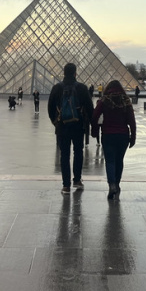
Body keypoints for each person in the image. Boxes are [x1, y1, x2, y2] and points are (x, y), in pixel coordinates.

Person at [48, 63, 94, 195]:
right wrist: (91, 124)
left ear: (64, 73)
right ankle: (77, 180)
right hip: (78, 126)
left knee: (64, 155)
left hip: (62, 127)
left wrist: (56, 122)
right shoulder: (82, 88)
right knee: (78, 152)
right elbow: (90, 108)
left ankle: (66, 186)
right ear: (75, 73)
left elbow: (50, 108)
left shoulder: (57, 88)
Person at [92, 80, 136, 200]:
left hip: (108, 135)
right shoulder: (126, 101)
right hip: (123, 136)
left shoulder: (104, 100)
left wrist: (95, 131)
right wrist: (133, 136)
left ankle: (111, 185)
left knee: (110, 161)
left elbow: (95, 115)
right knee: (119, 160)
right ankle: (117, 183)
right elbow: (132, 120)